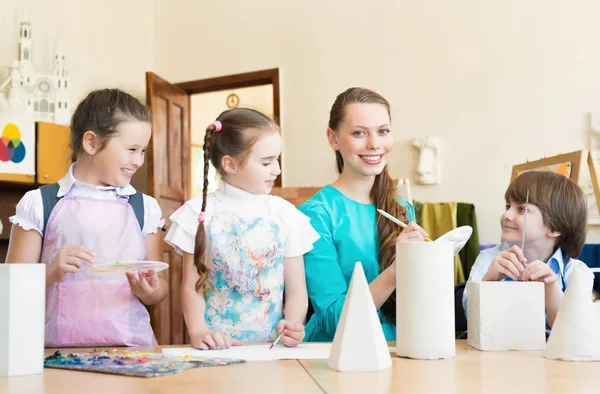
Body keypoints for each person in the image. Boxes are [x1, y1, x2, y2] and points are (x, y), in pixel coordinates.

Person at [6, 88, 168, 346]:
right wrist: (50, 272)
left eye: (143, 151)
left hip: (132, 354)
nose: (138, 161)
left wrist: (149, 290)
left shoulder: (145, 208)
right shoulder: (39, 204)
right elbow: (11, 292)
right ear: (91, 143)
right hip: (55, 356)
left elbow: (159, 288)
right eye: (132, 149)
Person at [165, 108, 319, 350]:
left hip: (272, 350)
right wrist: (198, 331)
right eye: (267, 162)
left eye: (277, 159)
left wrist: (292, 324)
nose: (277, 169)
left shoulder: (285, 215)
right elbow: (191, 287)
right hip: (216, 349)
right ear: (230, 164)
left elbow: (298, 290)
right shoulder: (197, 213)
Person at [299, 87, 428, 342]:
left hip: (399, 348)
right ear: (333, 139)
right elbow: (335, 322)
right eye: (359, 133)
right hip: (337, 355)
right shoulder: (314, 216)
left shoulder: (402, 207)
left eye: (383, 131)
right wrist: (394, 272)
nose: (375, 144)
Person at [463, 171, 594, 328]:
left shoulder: (577, 273)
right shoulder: (489, 259)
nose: (507, 214)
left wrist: (551, 287)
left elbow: (570, 330)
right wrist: (489, 281)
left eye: (522, 209)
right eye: (508, 206)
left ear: (555, 227)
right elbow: (470, 319)